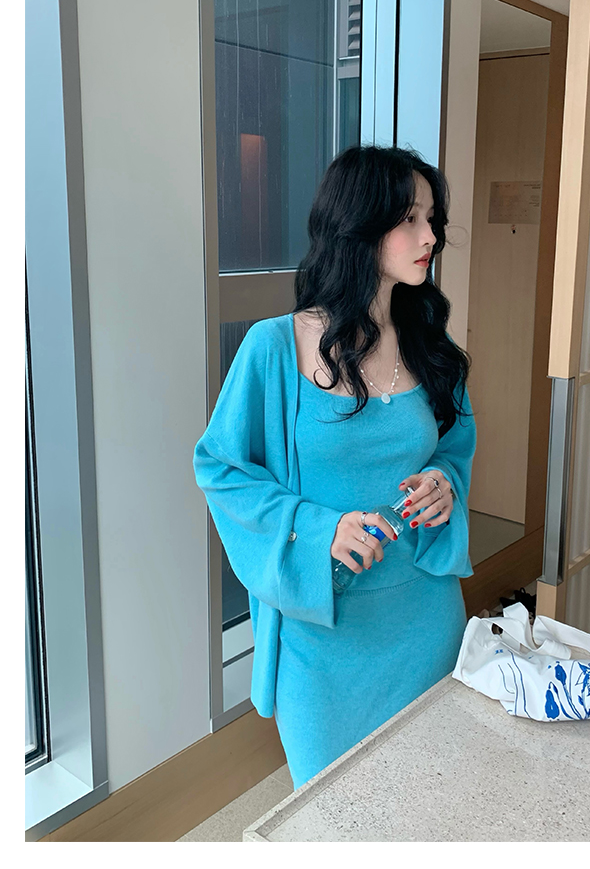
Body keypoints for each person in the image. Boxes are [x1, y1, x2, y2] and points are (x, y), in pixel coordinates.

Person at [193, 144, 477, 790]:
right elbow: (221, 468)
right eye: (410, 219)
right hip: (323, 630)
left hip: (424, 614)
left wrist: (445, 483)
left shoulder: (432, 347)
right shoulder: (274, 347)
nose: (430, 237)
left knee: (425, 795)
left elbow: (453, 448)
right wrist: (321, 530)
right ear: (359, 225)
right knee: (331, 809)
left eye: (432, 219)